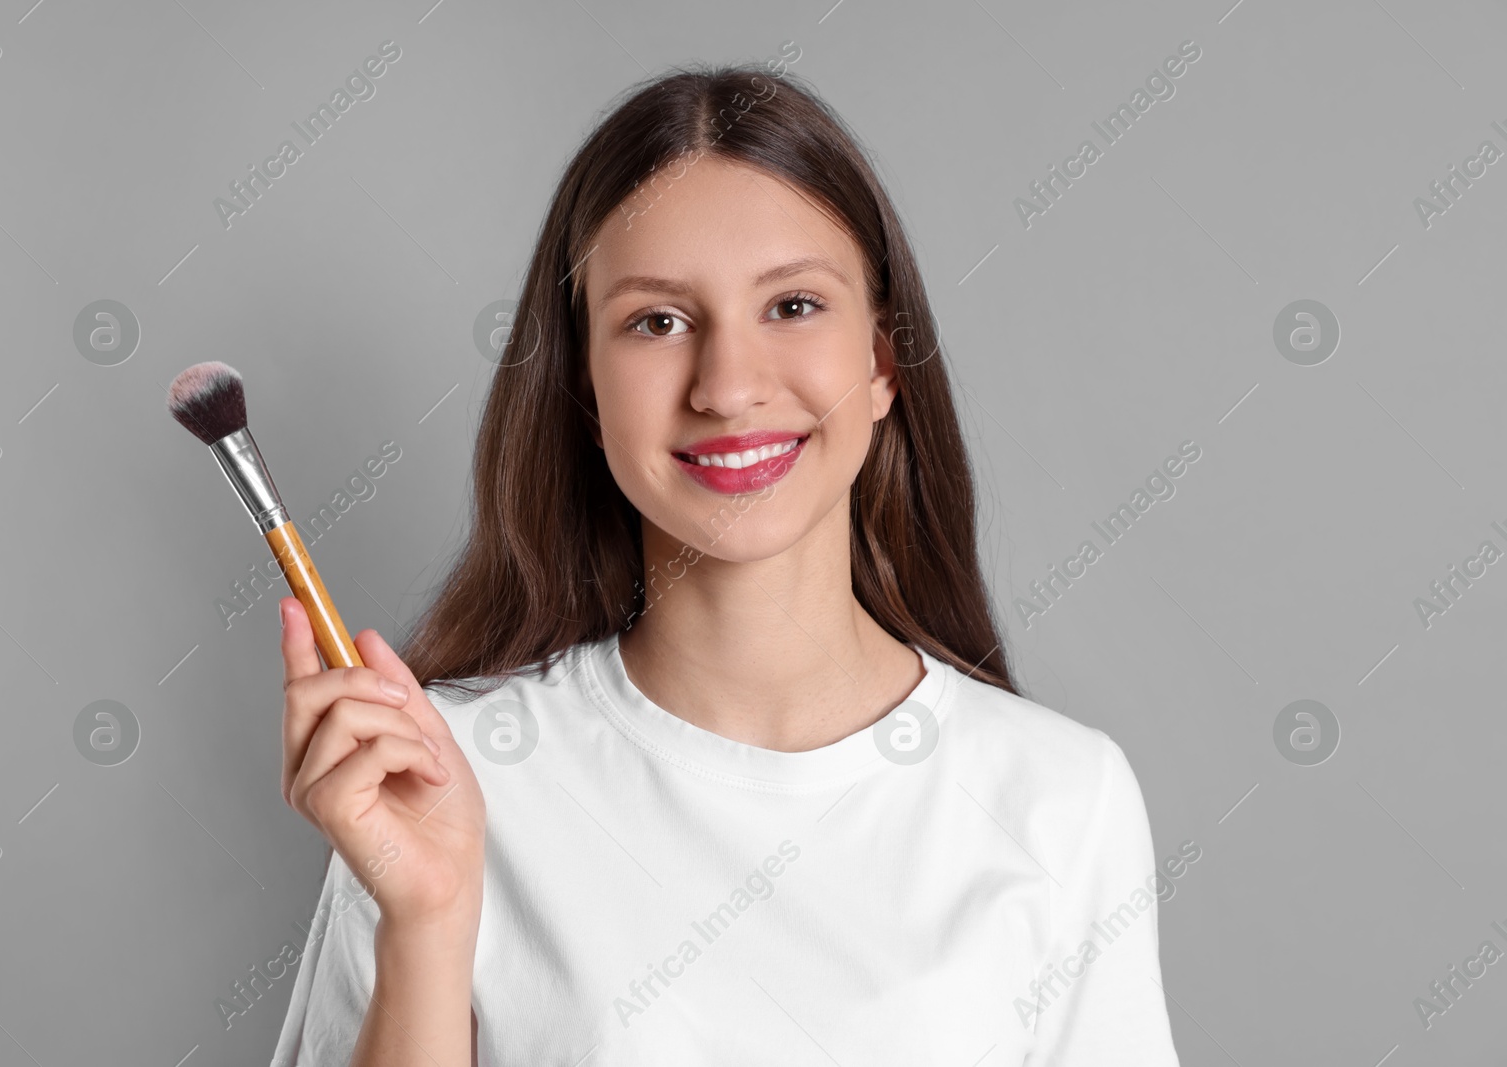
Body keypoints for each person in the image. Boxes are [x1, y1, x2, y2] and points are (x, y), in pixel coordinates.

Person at [270, 61, 1181, 1067]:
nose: (729, 385)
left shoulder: (1058, 794)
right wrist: (427, 921)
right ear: (585, 387)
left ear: (882, 364)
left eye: (792, 305)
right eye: (657, 322)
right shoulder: (444, 773)